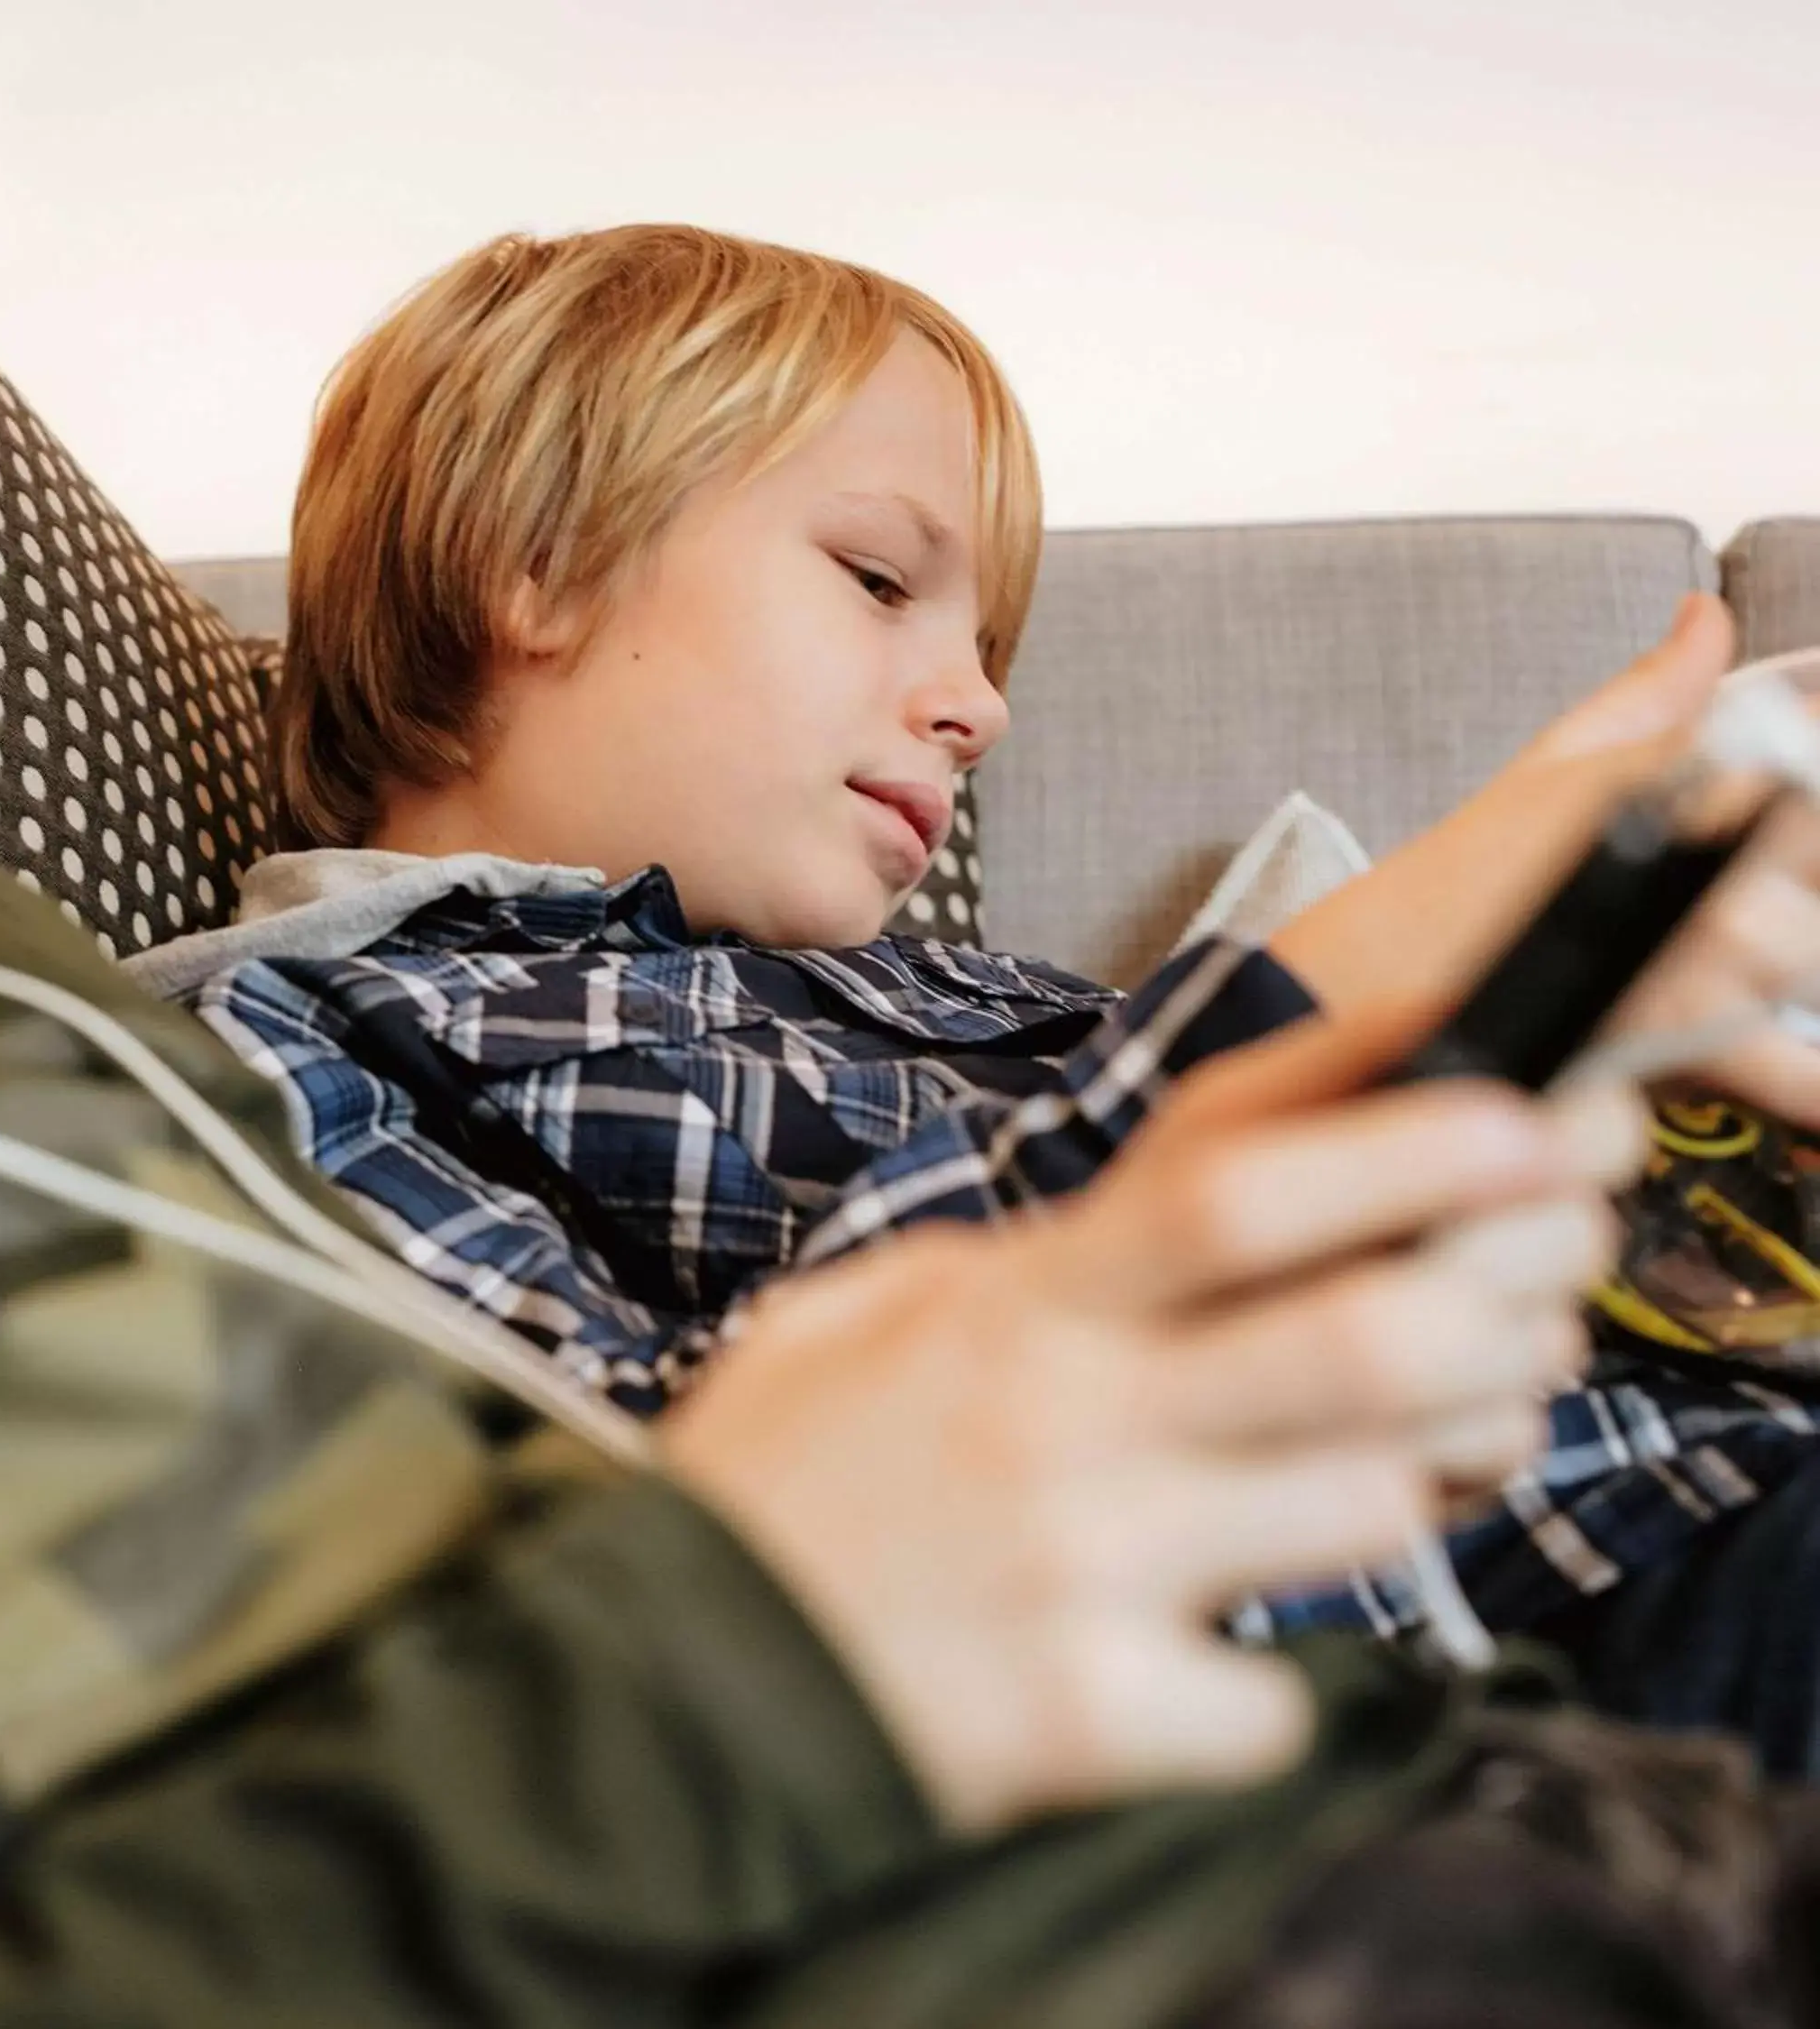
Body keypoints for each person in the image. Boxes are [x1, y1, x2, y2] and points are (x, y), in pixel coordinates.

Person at [0, 5, 1819, 2026]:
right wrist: (1317, 1014)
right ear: (530, 554)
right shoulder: (360, 1016)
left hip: (1464, 1751)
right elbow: (745, 1483)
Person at [142, 224, 1820, 1741]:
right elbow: (684, 1566)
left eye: (990, 648)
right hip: (1533, 1643)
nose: (979, 708)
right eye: (882, 580)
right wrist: (1341, 988)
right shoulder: (290, 1052)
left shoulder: (975, 994)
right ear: (540, 560)